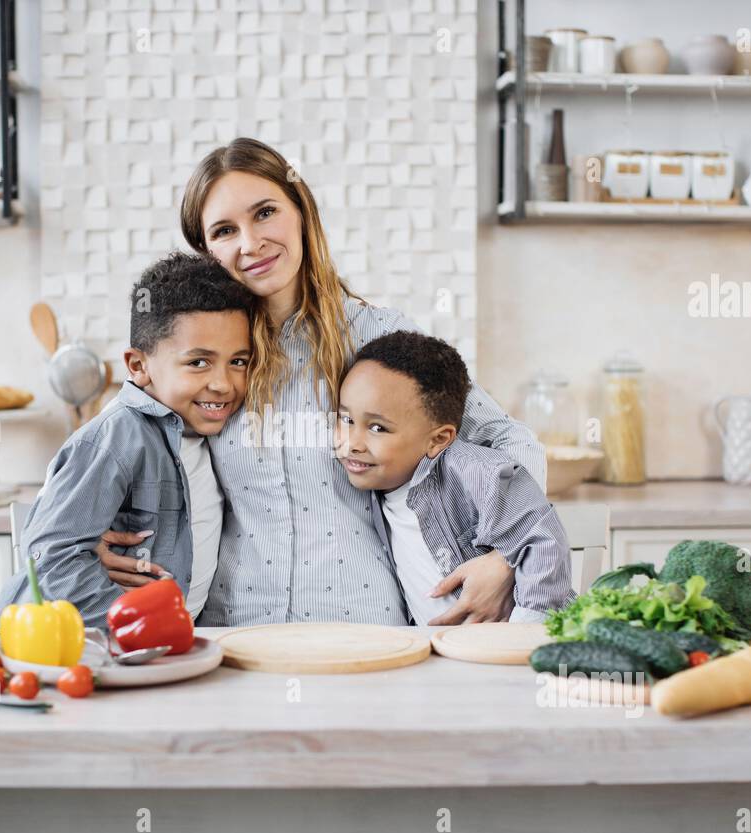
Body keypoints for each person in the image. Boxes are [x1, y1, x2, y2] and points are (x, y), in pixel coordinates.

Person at [96, 137, 546, 626]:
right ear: (207, 251)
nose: (250, 243)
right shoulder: (206, 363)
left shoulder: (378, 336)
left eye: (265, 213)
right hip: (234, 635)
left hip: (367, 631)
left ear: (301, 212)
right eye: (225, 230)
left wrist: (506, 555)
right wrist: (100, 523)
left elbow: (509, 440)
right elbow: (117, 443)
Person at [0, 252, 255, 622]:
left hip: (165, 649)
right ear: (138, 366)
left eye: (238, 362)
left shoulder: (212, 430)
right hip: (84, 648)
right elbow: (51, 560)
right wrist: (139, 622)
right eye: (198, 362)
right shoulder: (116, 438)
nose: (223, 384)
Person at [336, 331, 575, 625]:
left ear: (438, 439)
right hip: (445, 656)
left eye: (377, 428)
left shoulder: (478, 472)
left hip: (518, 651)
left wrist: (523, 637)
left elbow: (545, 540)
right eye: (346, 420)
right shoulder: (374, 488)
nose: (352, 442)